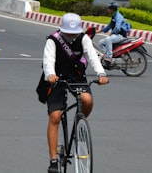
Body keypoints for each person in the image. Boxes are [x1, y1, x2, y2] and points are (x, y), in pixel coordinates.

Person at [43, 13, 107, 173]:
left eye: (74, 33)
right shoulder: (53, 40)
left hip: (76, 76)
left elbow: (92, 56)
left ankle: (80, 125)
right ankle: (53, 159)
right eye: (68, 32)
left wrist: (101, 74)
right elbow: (48, 60)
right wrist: (50, 74)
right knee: (55, 116)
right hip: (56, 78)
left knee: (87, 100)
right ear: (62, 30)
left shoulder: (83, 39)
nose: (71, 35)